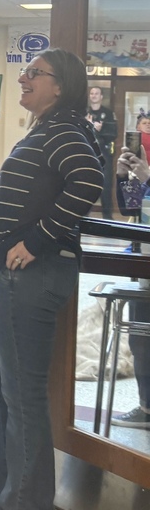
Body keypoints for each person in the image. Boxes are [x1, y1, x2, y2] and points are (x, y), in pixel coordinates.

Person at [0, 49, 103, 510]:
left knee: (21, 395)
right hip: (13, 276)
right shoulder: (45, 130)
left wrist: (36, 240)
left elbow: (88, 180)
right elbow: (42, 189)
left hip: (35, 274)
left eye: (34, 73)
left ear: (60, 86)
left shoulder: (65, 129)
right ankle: (3, 484)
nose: (23, 79)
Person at [110, 145, 150, 429]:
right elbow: (132, 208)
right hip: (144, 267)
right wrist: (124, 178)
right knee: (141, 340)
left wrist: (148, 179)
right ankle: (146, 407)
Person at [86, 86, 117, 220]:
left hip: (104, 153)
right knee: (85, 184)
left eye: (96, 93)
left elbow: (113, 134)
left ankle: (107, 217)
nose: (93, 96)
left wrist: (99, 130)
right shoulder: (83, 112)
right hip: (86, 153)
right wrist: (89, 126)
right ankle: (83, 216)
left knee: (106, 186)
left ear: (101, 96)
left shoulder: (108, 114)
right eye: (92, 93)